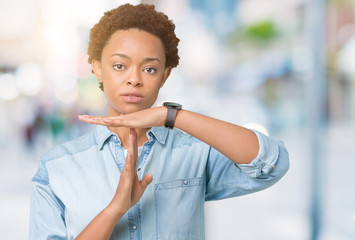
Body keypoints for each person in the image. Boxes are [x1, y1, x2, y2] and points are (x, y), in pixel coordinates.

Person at [29, 3, 289, 240]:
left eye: (149, 68)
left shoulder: (194, 153)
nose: (134, 79)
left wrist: (171, 115)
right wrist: (114, 210)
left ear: (164, 76)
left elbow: (272, 164)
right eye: (120, 65)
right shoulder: (57, 168)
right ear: (97, 68)